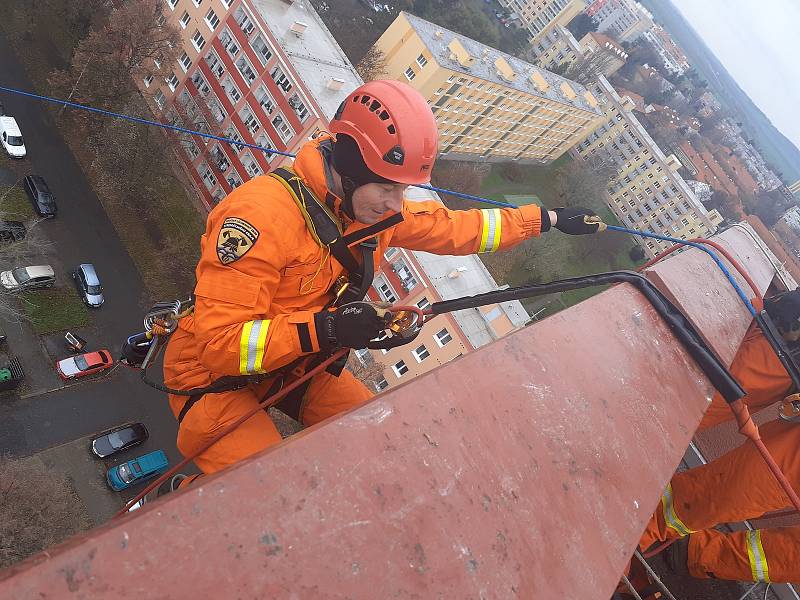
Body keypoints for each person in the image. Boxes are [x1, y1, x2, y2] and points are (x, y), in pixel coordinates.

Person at [161, 80, 602, 488]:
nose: (397, 205)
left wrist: (546, 218)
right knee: (279, 493)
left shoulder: (370, 211)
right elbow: (220, 343)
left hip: (288, 364)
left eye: (404, 192)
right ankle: (183, 504)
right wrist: (329, 329)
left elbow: (456, 229)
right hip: (212, 377)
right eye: (388, 189)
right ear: (350, 170)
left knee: (383, 435)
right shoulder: (259, 217)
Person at [639, 289, 800, 584]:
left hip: (782, 356)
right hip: (782, 348)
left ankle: (660, 540)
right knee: (661, 413)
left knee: (714, 493)